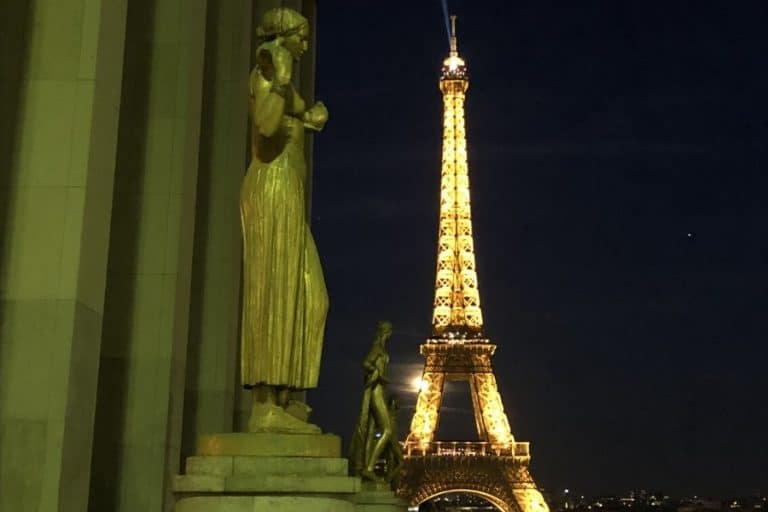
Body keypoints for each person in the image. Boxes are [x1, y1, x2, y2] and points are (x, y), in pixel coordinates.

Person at [240, 7, 329, 432]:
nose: (306, 44)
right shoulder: (267, 71)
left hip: (288, 189)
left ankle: (283, 393)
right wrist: (280, 80)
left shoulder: (283, 76)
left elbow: (290, 117)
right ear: (283, 35)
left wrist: (309, 118)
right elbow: (265, 124)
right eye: (301, 36)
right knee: (274, 288)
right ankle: (265, 404)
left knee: (312, 297)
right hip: (273, 187)